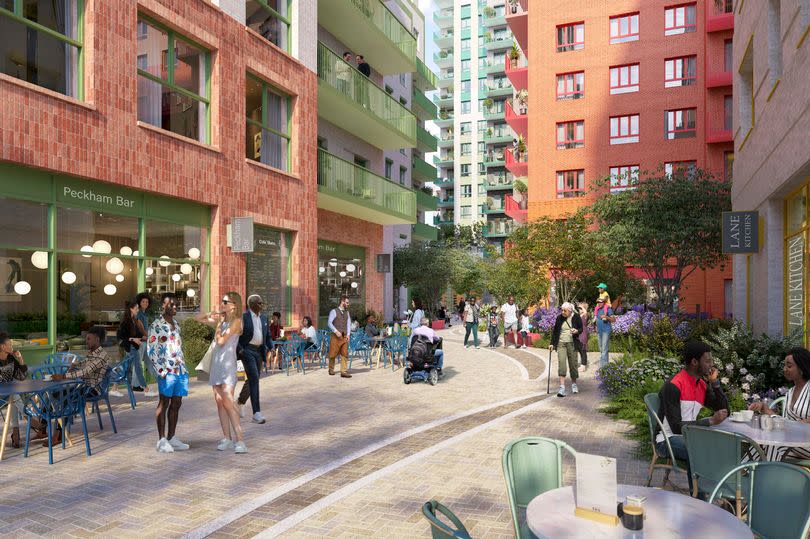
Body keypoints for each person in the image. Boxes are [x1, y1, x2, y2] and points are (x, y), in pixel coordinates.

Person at [657, 341, 728, 492]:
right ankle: (698, 497)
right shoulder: (674, 385)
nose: (712, 365)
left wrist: (715, 383)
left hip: (690, 437)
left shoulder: (701, 385)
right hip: (666, 438)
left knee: (721, 445)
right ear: (695, 362)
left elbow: (723, 410)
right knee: (699, 448)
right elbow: (676, 427)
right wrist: (710, 421)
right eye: (707, 361)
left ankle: (723, 494)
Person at [197, 292, 247, 453]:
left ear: (234, 305)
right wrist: (210, 314)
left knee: (227, 401)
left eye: (225, 302)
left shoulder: (237, 322)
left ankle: (240, 441)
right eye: (222, 301)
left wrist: (218, 325)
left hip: (227, 366)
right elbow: (198, 319)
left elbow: (221, 341)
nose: (222, 304)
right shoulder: (222, 320)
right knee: (219, 402)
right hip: (217, 365)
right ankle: (227, 438)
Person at [51, 326, 111, 446]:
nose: (86, 341)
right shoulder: (93, 353)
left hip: (93, 389)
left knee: (67, 397)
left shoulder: (102, 355)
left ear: (97, 340)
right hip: (83, 386)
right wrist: (75, 364)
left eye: (89, 339)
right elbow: (84, 363)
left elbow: (86, 371)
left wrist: (64, 377)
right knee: (55, 394)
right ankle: (44, 427)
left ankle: (58, 432)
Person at [748, 348, 810, 463]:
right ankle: (744, 473)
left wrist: (799, 425)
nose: (785, 369)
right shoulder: (790, 392)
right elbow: (785, 422)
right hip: (793, 441)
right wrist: (764, 408)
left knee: (774, 444)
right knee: (763, 442)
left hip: (807, 443)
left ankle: (761, 477)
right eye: (784, 365)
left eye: (789, 366)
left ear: (801, 368)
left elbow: (790, 425)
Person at [147, 293, 189, 454]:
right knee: (164, 403)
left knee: (177, 403)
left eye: (176, 304)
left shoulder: (176, 324)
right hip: (166, 371)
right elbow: (151, 351)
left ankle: (172, 437)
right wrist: (161, 371)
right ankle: (161, 440)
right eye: (171, 304)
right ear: (162, 306)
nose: (174, 307)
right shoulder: (156, 325)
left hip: (180, 370)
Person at [0, 333, 45, 447]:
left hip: (9, 394)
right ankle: (31, 419)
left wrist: (20, 359)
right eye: (9, 344)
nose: (12, 346)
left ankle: (16, 434)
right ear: (2, 347)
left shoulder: (10, 359)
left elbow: (21, 377)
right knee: (14, 396)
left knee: (14, 396)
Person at [236, 295, 269, 426]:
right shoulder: (243, 318)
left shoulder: (264, 317)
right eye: (260, 303)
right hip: (247, 350)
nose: (262, 305)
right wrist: (241, 350)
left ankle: (240, 402)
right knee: (254, 378)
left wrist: (269, 346)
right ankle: (256, 413)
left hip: (259, 351)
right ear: (252, 304)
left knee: (253, 379)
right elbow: (235, 335)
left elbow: (268, 335)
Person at [549, 303, 583, 397]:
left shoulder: (576, 317)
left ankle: (574, 384)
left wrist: (577, 331)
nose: (562, 312)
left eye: (565, 310)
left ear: (570, 311)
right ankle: (562, 388)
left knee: (573, 364)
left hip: (572, 343)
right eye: (562, 310)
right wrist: (552, 343)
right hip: (561, 344)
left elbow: (581, 328)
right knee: (562, 364)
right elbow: (555, 331)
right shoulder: (559, 318)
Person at [115, 300, 144, 398]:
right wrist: (133, 339)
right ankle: (146, 389)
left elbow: (139, 335)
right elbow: (121, 336)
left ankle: (114, 388)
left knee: (125, 368)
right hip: (130, 347)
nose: (138, 310)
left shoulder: (134, 320)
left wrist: (148, 338)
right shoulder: (126, 322)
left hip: (133, 347)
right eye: (136, 308)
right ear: (131, 309)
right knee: (138, 367)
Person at [134, 292, 158, 397]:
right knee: (138, 364)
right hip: (140, 342)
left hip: (145, 342)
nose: (145, 303)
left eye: (147, 302)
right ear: (139, 302)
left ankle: (160, 380)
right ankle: (135, 385)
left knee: (149, 362)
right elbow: (139, 328)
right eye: (143, 301)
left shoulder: (144, 314)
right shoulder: (139, 314)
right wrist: (146, 336)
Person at [327, 295, 352, 378]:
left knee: (345, 353)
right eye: (347, 302)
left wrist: (348, 334)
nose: (348, 304)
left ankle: (343, 371)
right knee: (333, 353)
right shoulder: (334, 311)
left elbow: (348, 324)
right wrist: (335, 331)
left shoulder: (347, 313)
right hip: (335, 336)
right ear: (342, 302)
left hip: (344, 336)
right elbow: (329, 323)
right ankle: (331, 369)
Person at [594, 287, 615, 367]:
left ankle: (603, 366)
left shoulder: (608, 309)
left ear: (604, 302)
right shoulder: (597, 309)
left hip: (606, 330)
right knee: (601, 348)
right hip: (599, 331)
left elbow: (613, 319)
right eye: (598, 302)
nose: (599, 303)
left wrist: (606, 317)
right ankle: (605, 365)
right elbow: (596, 320)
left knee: (604, 348)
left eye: (601, 302)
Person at [577, 302, 590, 371]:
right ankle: (582, 364)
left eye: (580, 308)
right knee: (580, 349)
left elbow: (586, 312)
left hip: (583, 333)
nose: (579, 309)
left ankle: (583, 366)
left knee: (583, 350)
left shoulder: (585, 315)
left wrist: (583, 307)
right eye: (579, 308)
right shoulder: (580, 315)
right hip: (579, 333)